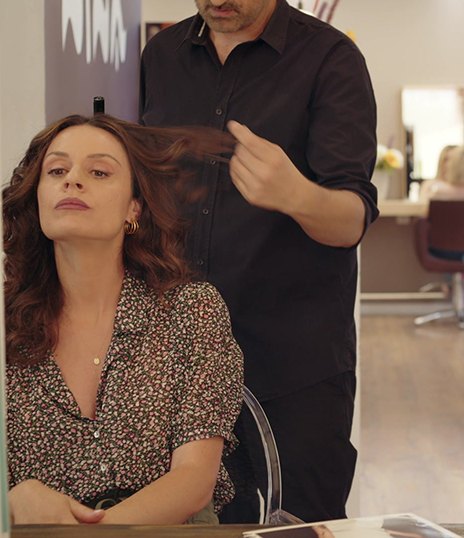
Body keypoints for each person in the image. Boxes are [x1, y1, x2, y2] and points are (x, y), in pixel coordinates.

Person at [139, 0, 378, 523]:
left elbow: (351, 222)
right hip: (176, 362)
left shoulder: (330, 58)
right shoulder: (160, 55)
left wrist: (296, 195)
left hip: (292, 365)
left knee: (300, 523)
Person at [3, 114, 243, 525]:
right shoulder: (7, 325)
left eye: (98, 172)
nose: (72, 180)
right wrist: (9, 502)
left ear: (134, 207)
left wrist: (93, 535)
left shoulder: (192, 311)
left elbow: (194, 480)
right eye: (56, 170)